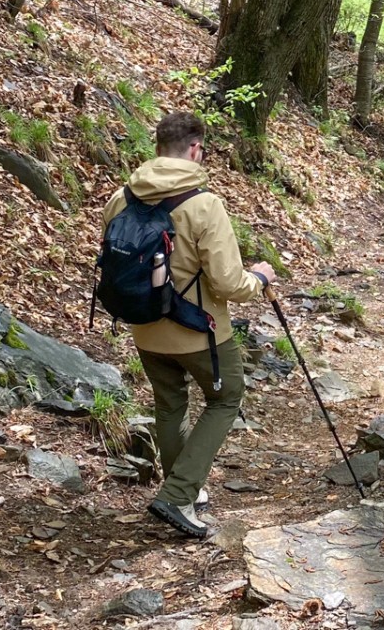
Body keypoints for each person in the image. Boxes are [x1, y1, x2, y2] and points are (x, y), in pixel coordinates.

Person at [102, 112, 277, 538]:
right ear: (195, 149)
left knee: (170, 405)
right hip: (203, 333)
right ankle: (178, 494)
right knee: (225, 399)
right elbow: (228, 282)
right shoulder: (204, 204)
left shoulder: (121, 198)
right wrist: (262, 279)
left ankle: (187, 489)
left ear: (158, 147)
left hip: (144, 326)